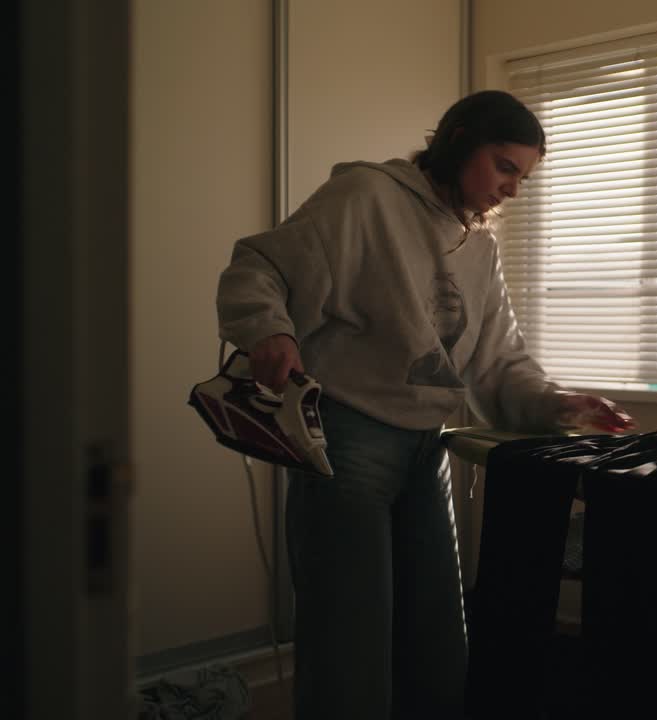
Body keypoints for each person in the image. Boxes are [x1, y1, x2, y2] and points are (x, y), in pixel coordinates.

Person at [215, 89, 633, 719]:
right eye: (504, 166)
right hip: (345, 438)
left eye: (522, 176)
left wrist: (560, 404)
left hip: (425, 447)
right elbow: (259, 268)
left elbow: (499, 363)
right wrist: (269, 328)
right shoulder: (364, 198)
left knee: (436, 636)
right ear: (459, 140)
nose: (512, 190)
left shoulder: (479, 248)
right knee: (349, 640)